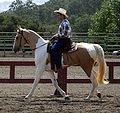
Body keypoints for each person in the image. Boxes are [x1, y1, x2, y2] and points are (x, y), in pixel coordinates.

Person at [50, 8, 72, 72]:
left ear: (62, 15)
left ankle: (59, 66)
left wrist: (57, 36)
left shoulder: (65, 23)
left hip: (64, 39)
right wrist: (56, 35)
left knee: (54, 49)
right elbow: (61, 32)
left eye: (58, 15)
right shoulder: (63, 22)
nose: (58, 16)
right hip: (62, 38)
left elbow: (65, 34)